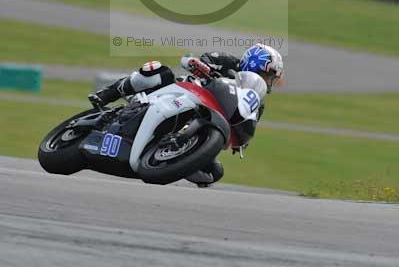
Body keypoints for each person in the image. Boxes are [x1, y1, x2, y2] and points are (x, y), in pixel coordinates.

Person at [89, 44, 284, 187]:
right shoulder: (226, 61)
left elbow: (249, 124)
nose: (269, 82)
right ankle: (107, 94)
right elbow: (194, 59)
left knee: (213, 173)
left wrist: (242, 138)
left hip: (211, 120)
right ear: (254, 64)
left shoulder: (257, 101)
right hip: (185, 94)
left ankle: (174, 160)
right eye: (268, 76)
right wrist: (198, 65)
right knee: (157, 71)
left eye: (272, 79)